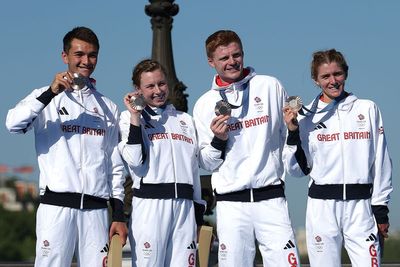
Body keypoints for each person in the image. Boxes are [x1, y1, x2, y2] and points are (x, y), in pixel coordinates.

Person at [5, 26, 128, 266]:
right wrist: (49, 94)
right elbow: (13, 124)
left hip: (96, 211)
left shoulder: (108, 107)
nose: (86, 61)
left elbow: (114, 164)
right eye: (79, 54)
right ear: (65, 57)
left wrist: (119, 213)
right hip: (56, 208)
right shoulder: (45, 96)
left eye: (92, 55)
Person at [193, 30, 300, 267]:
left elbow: (286, 140)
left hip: (271, 198)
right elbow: (207, 163)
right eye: (224, 58)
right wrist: (219, 139)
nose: (232, 62)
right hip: (231, 205)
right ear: (211, 62)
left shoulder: (270, 86)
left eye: (236, 55)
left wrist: (294, 131)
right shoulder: (204, 104)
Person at [283, 49, 393, 267]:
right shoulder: (305, 117)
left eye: (338, 74)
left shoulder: (367, 108)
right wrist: (293, 132)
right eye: (325, 76)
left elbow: (381, 162)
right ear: (316, 80)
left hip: (360, 207)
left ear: (346, 74)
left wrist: (380, 210)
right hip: (322, 208)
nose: (333, 81)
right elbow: (296, 170)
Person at [118, 59, 217, 267]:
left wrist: (198, 220)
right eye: (150, 86)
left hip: (184, 209)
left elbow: (193, 175)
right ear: (138, 89)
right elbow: (135, 161)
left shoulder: (186, 120)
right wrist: (136, 117)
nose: (158, 90)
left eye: (161, 83)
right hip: (150, 208)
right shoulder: (128, 119)